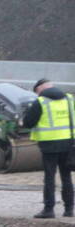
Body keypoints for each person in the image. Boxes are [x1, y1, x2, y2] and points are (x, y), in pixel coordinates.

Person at [22, 79, 75, 218]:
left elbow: (28, 123)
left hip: (49, 145)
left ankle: (49, 209)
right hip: (68, 143)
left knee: (49, 177)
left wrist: (21, 121)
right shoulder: (69, 99)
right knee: (66, 177)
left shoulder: (40, 102)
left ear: (39, 89)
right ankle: (69, 210)